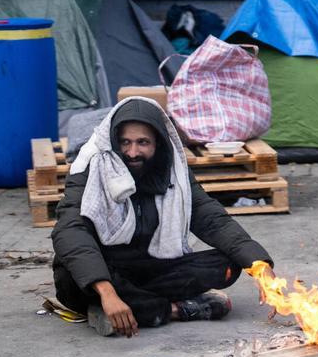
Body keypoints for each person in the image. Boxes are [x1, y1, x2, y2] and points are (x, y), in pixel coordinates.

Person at [51, 97, 273, 337]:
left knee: (226, 264)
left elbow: (211, 219)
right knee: (71, 278)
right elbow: (70, 230)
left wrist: (259, 265)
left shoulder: (172, 171)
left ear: (158, 142)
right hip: (107, 270)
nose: (132, 152)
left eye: (142, 142)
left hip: (149, 265)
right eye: (125, 142)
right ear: (114, 140)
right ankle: (174, 309)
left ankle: (126, 309)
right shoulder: (91, 168)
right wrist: (106, 290)